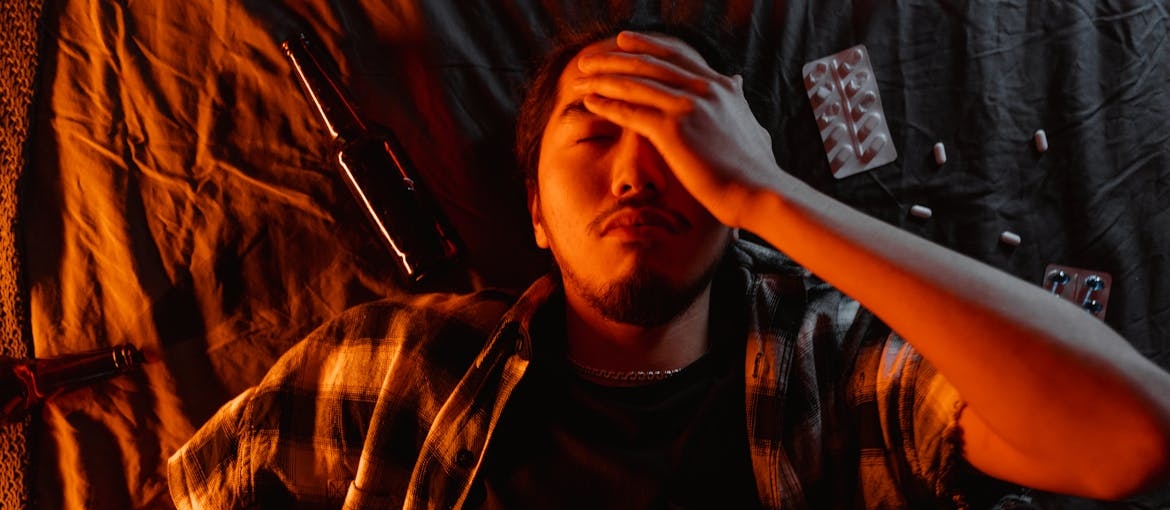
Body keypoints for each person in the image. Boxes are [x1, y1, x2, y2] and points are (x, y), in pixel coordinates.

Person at [167, 19, 1170, 509]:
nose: (639, 175)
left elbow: (1134, 437)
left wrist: (770, 196)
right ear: (537, 215)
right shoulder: (384, 370)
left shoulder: (842, 367)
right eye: (595, 138)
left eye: (687, 146)